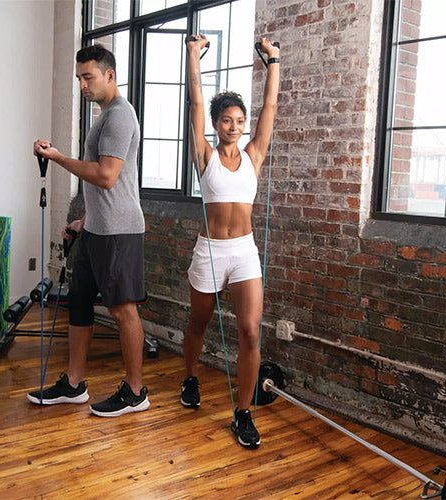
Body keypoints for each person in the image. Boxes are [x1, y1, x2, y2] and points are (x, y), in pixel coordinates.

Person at [27, 44, 149, 418]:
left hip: (118, 232)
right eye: (79, 77)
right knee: (78, 303)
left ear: (109, 75)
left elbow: (107, 177)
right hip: (97, 228)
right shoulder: (103, 115)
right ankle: (74, 384)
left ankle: (135, 391)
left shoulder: (119, 116)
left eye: (88, 77)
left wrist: (58, 157)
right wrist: (84, 220)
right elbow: (103, 183)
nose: (82, 84)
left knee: (122, 310)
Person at [182, 34, 280, 449]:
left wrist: (273, 62)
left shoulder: (254, 155)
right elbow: (196, 103)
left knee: (250, 332)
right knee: (200, 322)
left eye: (240, 121)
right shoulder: (203, 154)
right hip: (210, 251)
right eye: (227, 121)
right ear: (216, 124)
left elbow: (270, 109)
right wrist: (193, 57)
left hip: (244, 252)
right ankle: (189, 377)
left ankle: (243, 412)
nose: (235, 127)